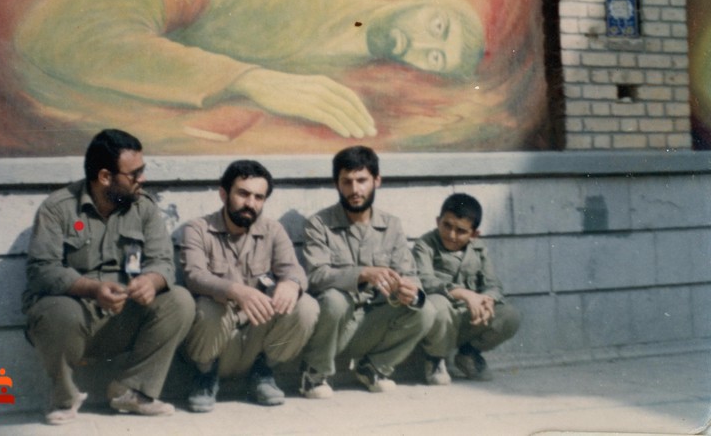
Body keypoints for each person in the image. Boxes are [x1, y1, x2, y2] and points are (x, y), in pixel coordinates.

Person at [14, 0, 484, 141]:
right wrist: (251, 80)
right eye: (437, 26)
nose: (420, 44)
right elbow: (58, 32)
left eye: (434, 57)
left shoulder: (347, 68)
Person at [22, 129, 195, 424]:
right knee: (55, 311)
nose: (142, 179)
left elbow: (163, 261)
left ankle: (132, 391)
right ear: (104, 177)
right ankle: (64, 398)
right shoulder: (58, 208)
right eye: (134, 173)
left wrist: (150, 282)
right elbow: (42, 269)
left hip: (124, 314)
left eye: (142, 170)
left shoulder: (144, 208)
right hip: (76, 316)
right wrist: (93, 289)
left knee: (179, 300)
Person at [180, 160, 319, 412]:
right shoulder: (198, 229)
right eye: (243, 194)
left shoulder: (273, 230)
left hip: (255, 333)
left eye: (258, 197)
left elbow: (293, 269)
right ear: (224, 194)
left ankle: (263, 373)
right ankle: (205, 377)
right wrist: (235, 291)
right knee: (209, 307)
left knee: (306, 305)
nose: (250, 203)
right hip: (215, 337)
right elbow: (194, 275)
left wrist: (291, 283)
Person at [299, 146, 435, 397]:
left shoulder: (391, 225)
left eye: (362, 180)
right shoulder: (319, 224)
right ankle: (315, 374)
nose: (355, 190)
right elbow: (314, 276)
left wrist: (410, 291)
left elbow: (409, 273)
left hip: (373, 322)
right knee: (334, 300)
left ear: (376, 181)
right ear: (337, 184)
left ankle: (373, 368)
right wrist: (362, 274)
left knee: (424, 308)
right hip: (335, 327)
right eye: (347, 182)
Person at [414, 193, 521, 384]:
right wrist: (464, 294)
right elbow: (425, 280)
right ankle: (435, 359)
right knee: (438, 304)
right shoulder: (425, 245)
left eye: (461, 231)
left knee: (510, 315)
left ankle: (468, 354)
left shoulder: (479, 250)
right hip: (438, 320)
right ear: (438, 221)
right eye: (447, 225)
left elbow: (493, 284)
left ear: (474, 234)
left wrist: (487, 300)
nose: (451, 235)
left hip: (465, 318)